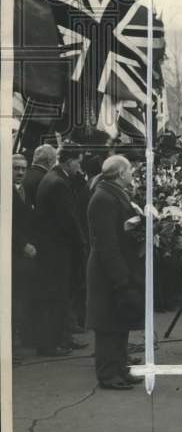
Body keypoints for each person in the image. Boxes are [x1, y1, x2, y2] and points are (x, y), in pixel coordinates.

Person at [85, 156, 145, 390]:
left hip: (117, 266)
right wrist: (120, 279)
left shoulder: (113, 193)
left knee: (120, 321)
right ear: (120, 173)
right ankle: (108, 374)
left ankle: (120, 368)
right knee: (108, 324)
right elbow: (106, 242)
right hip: (107, 271)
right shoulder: (103, 198)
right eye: (130, 169)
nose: (132, 173)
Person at [31, 143, 88, 357]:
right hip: (56, 250)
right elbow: (68, 219)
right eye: (78, 163)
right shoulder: (58, 183)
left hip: (52, 248)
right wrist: (81, 242)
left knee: (59, 296)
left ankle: (61, 339)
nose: (79, 168)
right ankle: (50, 344)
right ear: (69, 161)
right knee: (56, 296)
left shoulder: (55, 178)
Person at [12, 154, 36, 356]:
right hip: (11, 254)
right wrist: (22, 244)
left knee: (21, 298)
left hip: (24, 256)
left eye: (23, 168)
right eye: (15, 168)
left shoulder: (25, 190)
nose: (20, 172)